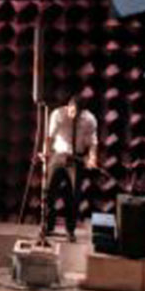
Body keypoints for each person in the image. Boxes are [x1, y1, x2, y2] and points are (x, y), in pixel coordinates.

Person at [43, 96, 98, 239]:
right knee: (49, 192)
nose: (74, 116)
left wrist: (92, 158)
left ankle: (70, 230)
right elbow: (49, 137)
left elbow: (93, 143)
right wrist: (46, 152)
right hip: (59, 156)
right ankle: (47, 227)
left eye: (78, 114)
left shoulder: (89, 120)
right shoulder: (58, 115)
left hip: (76, 158)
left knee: (73, 196)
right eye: (72, 112)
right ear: (68, 106)